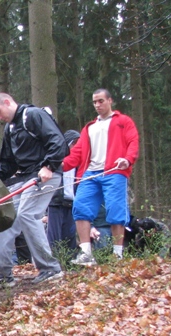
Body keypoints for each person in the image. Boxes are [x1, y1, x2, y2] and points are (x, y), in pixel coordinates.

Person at [0, 93, 68, 290]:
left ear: (7, 102)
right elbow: (6, 162)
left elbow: (58, 141)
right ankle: (1, 274)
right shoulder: (10, 129)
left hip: (47, 174)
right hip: (26, 178)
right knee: (6, 217)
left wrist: (49, 165)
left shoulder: (33, 115)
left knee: (27, 214)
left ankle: (50, 268)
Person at [63, 88, 139, 266]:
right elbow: (77, 153)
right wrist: (57, 165)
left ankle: (117, 255)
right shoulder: (89, 127)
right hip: (90, 173)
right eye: (95, 102)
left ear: (110, 101)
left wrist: (127, 160)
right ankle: (86, 253)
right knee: (80, 207)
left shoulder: (123, 121)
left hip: (114, 171)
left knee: (115, 211)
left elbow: (133, 142)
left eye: (101, 101)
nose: (98, 105)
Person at [44, 129, 79, 256]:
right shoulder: (57, 159)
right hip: (56, 202)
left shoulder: (77, 161)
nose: (76, 147)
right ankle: (54, 263)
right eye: (74, 143)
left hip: (72, 203)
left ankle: (69, 265)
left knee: (70, 236)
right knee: (54, 237)